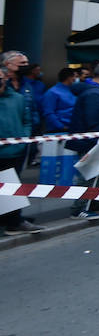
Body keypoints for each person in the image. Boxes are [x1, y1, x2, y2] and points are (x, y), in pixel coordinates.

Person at [65, 61, 99, 218]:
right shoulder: (94, 94)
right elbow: (93, 122)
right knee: (88, 174)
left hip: (96, 140)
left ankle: (92, 202)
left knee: (96, 174)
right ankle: (79, 208)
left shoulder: (97, 92)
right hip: (92, 142)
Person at [0, 70, 38, 235]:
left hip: (15, 150)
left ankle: (14, 221)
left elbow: (27, 120)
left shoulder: (18, 98)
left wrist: (22, 139)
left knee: (13, 187)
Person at [40, 68, 80, 134]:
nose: (76, 79)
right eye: (75, 77)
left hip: (73, 129)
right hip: (58, 132)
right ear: (69, 78)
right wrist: (61, 127)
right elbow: (48, 113)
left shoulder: (73, 91)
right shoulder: (52, 92)